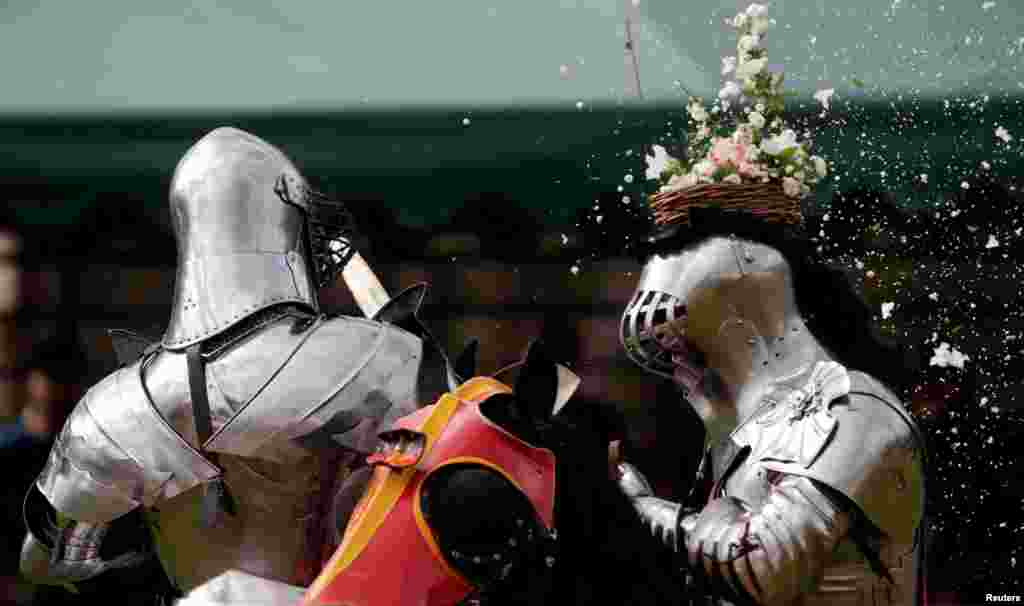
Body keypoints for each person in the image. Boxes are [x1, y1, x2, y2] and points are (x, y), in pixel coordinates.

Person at [19, 127, 451, 604]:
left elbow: (46, 561)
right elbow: (470, 499)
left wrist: (145, 540)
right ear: (282, 223)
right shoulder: (384, 357)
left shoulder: (113, 408)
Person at [613, 201, 929, 606]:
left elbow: (761, 565)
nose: (684, 368)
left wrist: (641, 509)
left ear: (738, 331)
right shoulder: (758, 427)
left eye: (689, 348)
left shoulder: (852, 410)